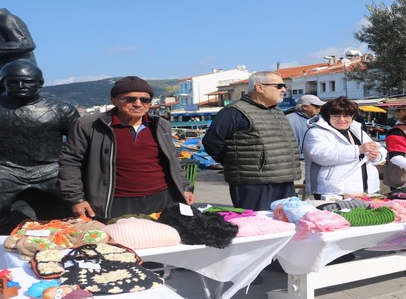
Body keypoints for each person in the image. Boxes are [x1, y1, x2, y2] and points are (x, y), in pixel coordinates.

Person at [59, 76, 195, 220]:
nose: (138, 104)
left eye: (145, 100)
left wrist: (184, 188)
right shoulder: (88, 126)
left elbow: (172, 160)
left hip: (162, 198)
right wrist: (76, 198)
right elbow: (70, 162)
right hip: (115, 201)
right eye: (130, 99)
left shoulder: (160, 125)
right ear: (114, 100)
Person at [202, 71, 301, 210]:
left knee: (286, 223)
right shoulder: (234, 112)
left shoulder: (277, 111)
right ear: (259, 87)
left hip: (284, 180)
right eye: (279, 86)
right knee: (259, 225)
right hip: (254, 183)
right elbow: (212, 142)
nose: (284, 89)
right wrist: (234, 161)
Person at [0, 60, 79, 234]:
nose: (20, 85)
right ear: (3, 82)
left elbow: (78, 146)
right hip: (6, 170)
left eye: (27, 81)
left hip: (50, 169)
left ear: (40, 83)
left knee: (73, 205)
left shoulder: (62, 110)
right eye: (13, 81)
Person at [303, 96, 387, 197]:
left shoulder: (356, 130)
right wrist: (358, 150)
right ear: (327, 116)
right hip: (333, 191)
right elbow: (321, 155)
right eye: (336, 116)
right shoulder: (316, 132)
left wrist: (377, 156)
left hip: (366, 188)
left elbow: (378, 148)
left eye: (347, 116)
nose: (342, 119)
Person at [286, 94, 325, 159]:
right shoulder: (290, 119)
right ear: (305, 107)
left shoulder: (317, 120)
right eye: (317, 106)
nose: (319, 109)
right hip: (298, 160)